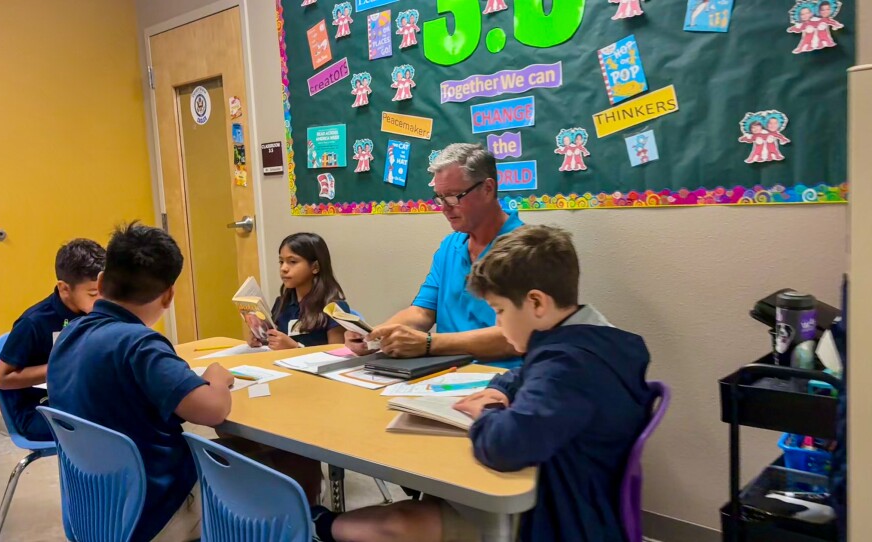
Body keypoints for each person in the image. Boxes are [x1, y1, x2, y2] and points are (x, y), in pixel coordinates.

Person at [313, 225, 654, 542]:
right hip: (573, 490)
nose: (500, 326)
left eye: (500, 311)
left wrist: (487, 411)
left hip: (556, 519)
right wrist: (499, 390)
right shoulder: (589, 337)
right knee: (436, 493)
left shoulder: (566, 367)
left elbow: (506, 446)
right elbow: (522, 374)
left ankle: (318, 528)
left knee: (395, 524)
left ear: (536, 302)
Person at [47, 223, 320, 542]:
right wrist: (217, 377)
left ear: (103, 281)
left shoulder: (70, 334)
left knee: (245, 449)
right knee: (297, 457)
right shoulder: (140, 344)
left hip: (98, 503)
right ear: (168, 296)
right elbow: (214, 411)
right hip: (156, 507)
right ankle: (309, 528)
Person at [345, 143, 522, 368]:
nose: (444, 208)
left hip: (501, 378)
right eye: (439, 197)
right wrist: (376, 336)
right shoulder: (451, 246)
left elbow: (513, 338)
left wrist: (429, 343)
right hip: (444, 373)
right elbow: (422, 312)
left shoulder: (526, 249)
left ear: (487, 189)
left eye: (453, 196)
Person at [0, 238, 104, 441]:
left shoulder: (93, 311)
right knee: (111, 421)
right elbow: (2, 379)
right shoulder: (33, 322)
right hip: (39, 409)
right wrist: (62, 366)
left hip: (77, 395)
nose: (102, 300)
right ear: (64, 288)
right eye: (93, 293)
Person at [248, 232, 349, 350]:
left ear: (315, 267)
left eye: (292, 262)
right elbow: (277, 342)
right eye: (281, 262)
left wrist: (296, 348)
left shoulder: (334, 307)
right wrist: (261, 339)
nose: (283, 268)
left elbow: (338, 355)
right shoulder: (282, 303)